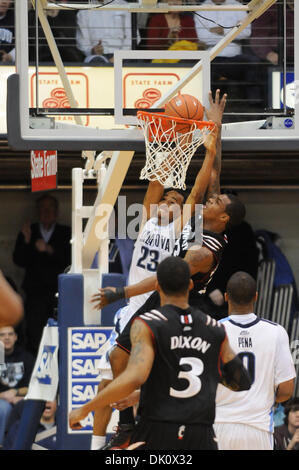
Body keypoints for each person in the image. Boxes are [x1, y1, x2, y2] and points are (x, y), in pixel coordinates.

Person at [90, 90, 246, 449]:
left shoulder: (200, 242)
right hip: (146, 300)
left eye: (215, 201)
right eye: (169, 199)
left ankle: (142, 419)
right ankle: (122, 427)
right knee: (116, 362)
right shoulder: (153, 221)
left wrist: (121, 292)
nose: (206, 199)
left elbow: (196, 192)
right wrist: (203, 131)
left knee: (139, 373)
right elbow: (208, 177)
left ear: (220, 216)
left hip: (171, 301)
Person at [69, 257, 252, 450]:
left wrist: (86, 408)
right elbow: (242, 381)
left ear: (157, 285)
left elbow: (135, 376)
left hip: (158, 432)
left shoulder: (148, 324)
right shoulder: (214, 328)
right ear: (190, 285)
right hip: (201, 436)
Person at [213, 271, 296, 450]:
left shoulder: (213, 329)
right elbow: (287, 390)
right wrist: (265, 398)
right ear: (256, 296)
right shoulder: (276, 332)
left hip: (219, 426)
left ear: (226, 297)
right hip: (258, 428)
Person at [13, 193, 71, 356]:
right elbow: (18, 260)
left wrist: (49, 250)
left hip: (58, 294)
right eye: (43, 209)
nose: (46, 212)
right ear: (37, 211)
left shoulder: (66, 232)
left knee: (59, 333)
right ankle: (34, 374)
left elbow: (71, 259)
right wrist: (26, 241)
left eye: (50, 208)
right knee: (34, 333)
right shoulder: (29, 231)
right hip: (35, 294)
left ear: (57, 211)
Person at [0, 325, 35, 448]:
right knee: (4, 408)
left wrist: (16, 392)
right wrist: (4, 396)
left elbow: (34, 386)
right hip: (1, 401)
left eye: (10, 334)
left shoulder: (27, 358)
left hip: (22, 398)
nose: (7, 338)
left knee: (28, 406)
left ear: (15, 337)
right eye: (2, 335)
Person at [76, 0, 134, 65]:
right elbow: (83, 44)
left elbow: (132, 37)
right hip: (97, 57)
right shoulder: (84, 11)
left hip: (123, 55)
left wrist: (118, 57)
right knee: (96, 61)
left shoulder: (123, 5)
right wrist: (92, 50)